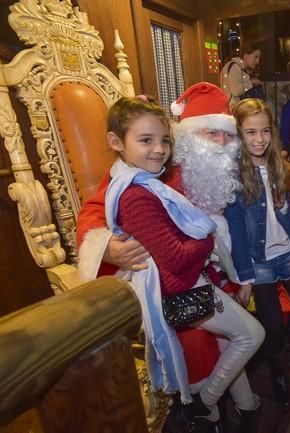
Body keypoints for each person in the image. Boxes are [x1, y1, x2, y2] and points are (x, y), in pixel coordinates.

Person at [75, 83, 265, 433]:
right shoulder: (158, 171)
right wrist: (109, 247)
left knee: (234, 335)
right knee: (234, 336)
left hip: (209, 275)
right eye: (211, 134)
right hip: (178, 283)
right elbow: (98, 211)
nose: (221, 145)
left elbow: (235, 223)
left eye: (226, 136)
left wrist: (243, 276)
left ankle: (245, 406)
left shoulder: (220, 167)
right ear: (190, 136)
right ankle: (205, 409)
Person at [225, 99, 290, 409]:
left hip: (287, 251)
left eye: (265, 130)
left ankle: (288, 345)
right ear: (239, 134)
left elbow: (284, 211)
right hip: (258, 260)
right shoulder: (235, 174)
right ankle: (278, 370)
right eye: (250, 132)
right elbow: (236, 227)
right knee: (273, 325)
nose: (259, 139)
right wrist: (245, 275)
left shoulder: (277, 164)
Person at [222, 42, 263, 108]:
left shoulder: (239, 67)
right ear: (246, 55)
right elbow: (235, 91)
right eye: (255, 57)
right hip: (232, 110)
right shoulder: (235, 67)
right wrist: (251, 82)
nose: (258, 61)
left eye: (258, 58)